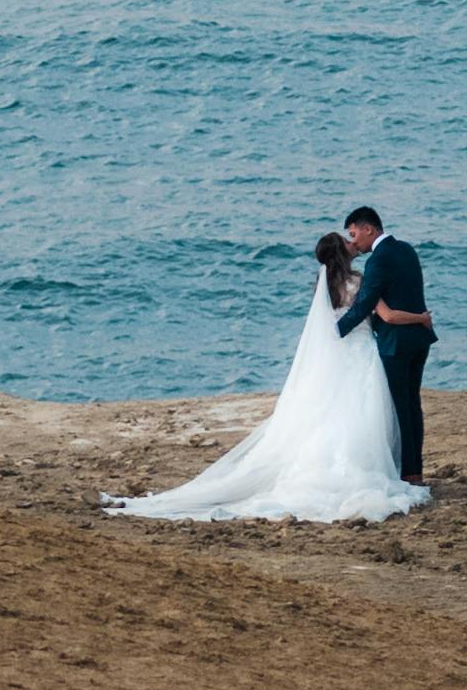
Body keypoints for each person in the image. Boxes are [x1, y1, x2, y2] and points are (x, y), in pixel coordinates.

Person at [101, 227, 418, 525]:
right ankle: (365, 468)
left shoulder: (323, 286)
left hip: (341, 355)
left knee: (334, 412)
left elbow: (331, 325)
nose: (353, 244)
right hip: (361, 353)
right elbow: (379, 314)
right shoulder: (360, 281)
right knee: (361, 411)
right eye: (347, 241)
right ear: (342, 252)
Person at [339, 209, 434, 494]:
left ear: (368, 228)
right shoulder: (406, 250)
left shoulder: (378, 260)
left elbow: (365, 302)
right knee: (412, 405)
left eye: (354, 234)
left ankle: (408, 473)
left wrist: (335, 332)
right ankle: (414, 470)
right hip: (420, 338)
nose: (355, 242)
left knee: (399, 407)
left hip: (396, 341)